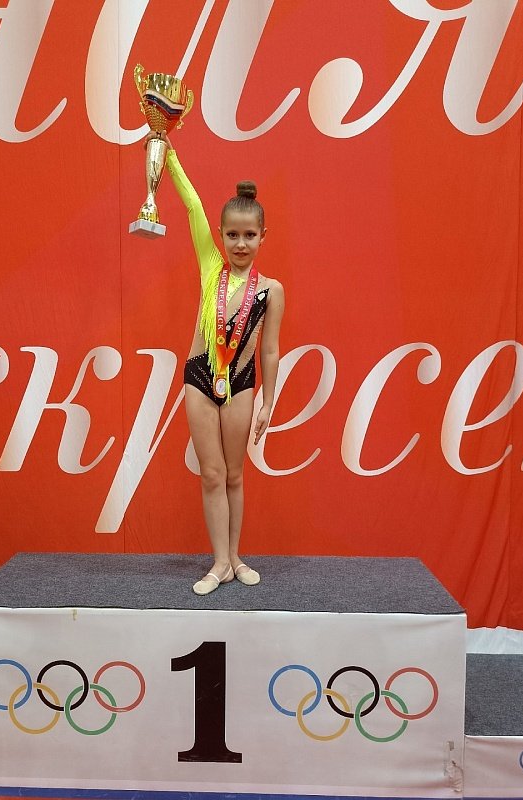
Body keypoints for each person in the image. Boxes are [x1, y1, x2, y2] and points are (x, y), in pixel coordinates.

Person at [145, 132, 284, 595]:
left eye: (249, 235)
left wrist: (268, 402)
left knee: (235, 474)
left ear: (263, 236)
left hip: (241, 382)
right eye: (232, 235)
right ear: (220, 235)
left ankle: (236, 557)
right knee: (211, 475)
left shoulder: (271, 290)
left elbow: (269, 350)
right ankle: (219, 562)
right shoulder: (210, 266)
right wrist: (167, 153)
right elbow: (192, 206)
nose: (240, 244)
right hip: (200, 376)